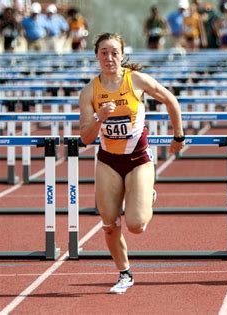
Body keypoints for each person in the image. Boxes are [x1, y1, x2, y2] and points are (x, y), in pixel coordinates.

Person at [79, 33, 185, 294]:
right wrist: (99, 118)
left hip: (138, 159)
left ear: (122, 55)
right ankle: (124, 273)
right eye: (104, 52)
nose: (109, 58)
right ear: (96, 56)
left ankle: (147, 193)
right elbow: (85, 137)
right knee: (109, 223)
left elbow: (171, 100)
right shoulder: (90, 91)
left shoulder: (136, 79)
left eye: (114, 52)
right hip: (108, 161)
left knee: (136, 225)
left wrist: (178, 136)